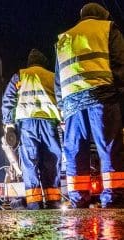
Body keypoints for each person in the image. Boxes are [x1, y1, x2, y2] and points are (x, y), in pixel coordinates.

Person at [54, 3, 124, 208]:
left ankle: (78, 199)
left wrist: (61, 108)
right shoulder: (108, 28)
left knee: (75, 151)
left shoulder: (64, 38)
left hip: (71, 104)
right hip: (102, 96)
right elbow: (120, 63)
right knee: (109, 146)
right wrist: (117, 91)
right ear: (101, 15)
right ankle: (113, 197)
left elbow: (58, 80)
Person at [2, 49, 62, 210]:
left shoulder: (20, 76)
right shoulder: (52, 76)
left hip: (27, 125)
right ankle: (53, 201)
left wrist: (9, 125)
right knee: (51, 161)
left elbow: (8, 100)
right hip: (49, 123)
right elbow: (61, 98)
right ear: (43, 62)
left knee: (30, 163)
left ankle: (34, 203)